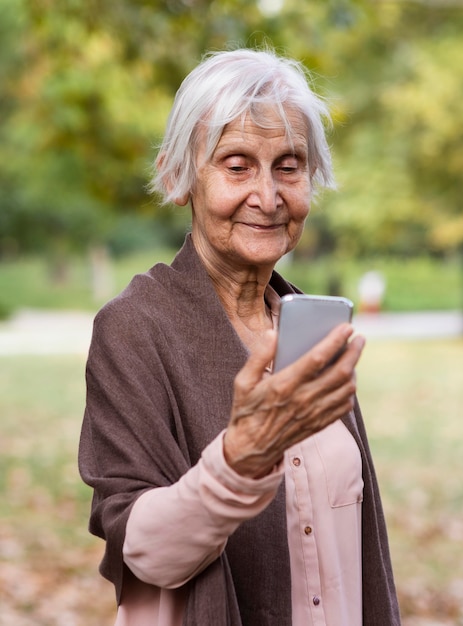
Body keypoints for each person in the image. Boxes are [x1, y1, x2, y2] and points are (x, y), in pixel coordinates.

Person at [79, 48, 401, 626]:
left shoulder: (306, 324)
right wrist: (239, 461)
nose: (269, 196)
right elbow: (143, 551)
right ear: (179, 178)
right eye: (236, 165)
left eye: (289, 165)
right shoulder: (135, 327)